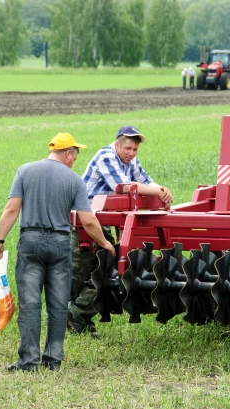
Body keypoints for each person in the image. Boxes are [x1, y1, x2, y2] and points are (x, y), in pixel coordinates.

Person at [0, 132, 115, 372]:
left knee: (30, 304)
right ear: (67, 153)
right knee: (58, 305)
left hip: (30, 242)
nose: (75, 161)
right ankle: (53, 361)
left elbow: (11, 210)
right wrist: (105, 243)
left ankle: (28, 362)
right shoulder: (74, 180)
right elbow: (88, 221)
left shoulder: (25, 171)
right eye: (75, 156)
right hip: (60, 244)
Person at [68, 125, 173, 338]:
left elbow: (145, 181)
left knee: (103, 270)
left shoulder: (130, 161)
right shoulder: (106, 156)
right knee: (83, 272)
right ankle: (71, 316)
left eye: (135, 149)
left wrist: (162, 190)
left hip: (103, 222)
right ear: (117, 144)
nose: (132, 153)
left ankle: (77, 315)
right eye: (128, 148)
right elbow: (123, 186)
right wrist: (157, 191)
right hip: (84, 222)